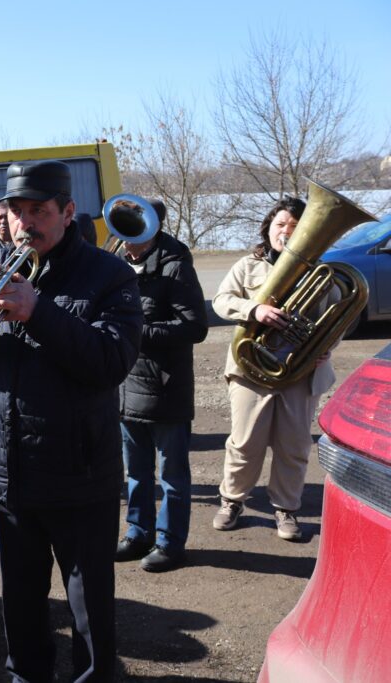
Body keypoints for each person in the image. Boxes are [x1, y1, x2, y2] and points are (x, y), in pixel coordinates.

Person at [0, 161, 142, 682]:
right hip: (8, 474)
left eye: (38, 211)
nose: (25, 223)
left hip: (79, 475)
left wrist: (39, 312)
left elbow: (111, 361)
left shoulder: (109, 275)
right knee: (19, 604)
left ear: (67, 212)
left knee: (89, 612)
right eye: (16, 211)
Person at [212, 196, 336, 541]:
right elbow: (221, 301)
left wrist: (325, 348)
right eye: (280, 224)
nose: (286, 231)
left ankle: (286, 509)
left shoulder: (321, 271)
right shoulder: (247, 265)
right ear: (268, 228)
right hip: (251, 368)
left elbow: (338, 318)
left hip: (301, 371)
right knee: (245, 443)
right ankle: (232, 501)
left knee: (294, 446)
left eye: (295, 226)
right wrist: (255, 310)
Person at [113, 199, 208, 573]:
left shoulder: (176, 266)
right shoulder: (118, 264)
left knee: (172, 477)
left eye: (133, 231)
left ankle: (170, 543)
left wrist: (138, 332)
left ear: (154, 229)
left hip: (167, 388)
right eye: (123, 230)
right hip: (127, 386)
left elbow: (195, 327)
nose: (126, 241)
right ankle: (138, 533)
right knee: (136, 473)